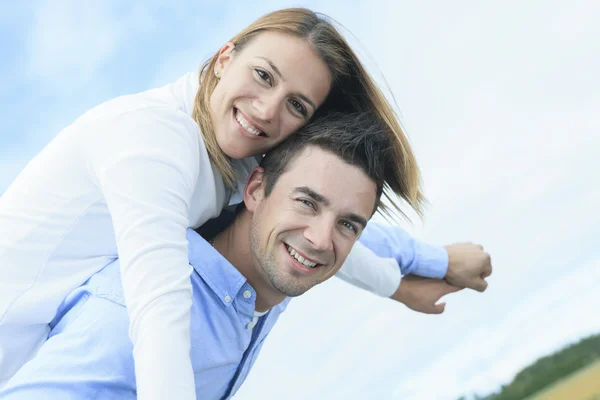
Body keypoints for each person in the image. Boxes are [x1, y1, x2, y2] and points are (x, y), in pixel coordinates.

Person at [0, 7, 492, 399]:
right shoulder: (150, 141)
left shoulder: (232, 151)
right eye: (263, 75)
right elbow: (159, 306)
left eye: (297, 104)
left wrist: (416, 273)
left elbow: (317, 216)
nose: (266, 108)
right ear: (223, 58)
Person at [0, 113, 466, 400]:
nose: (322, 240)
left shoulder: (263, 265)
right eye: (306, 202)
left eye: (348, 223)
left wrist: (433, 263)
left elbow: (365, 243)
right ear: (256, 189)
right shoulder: (126, 323)